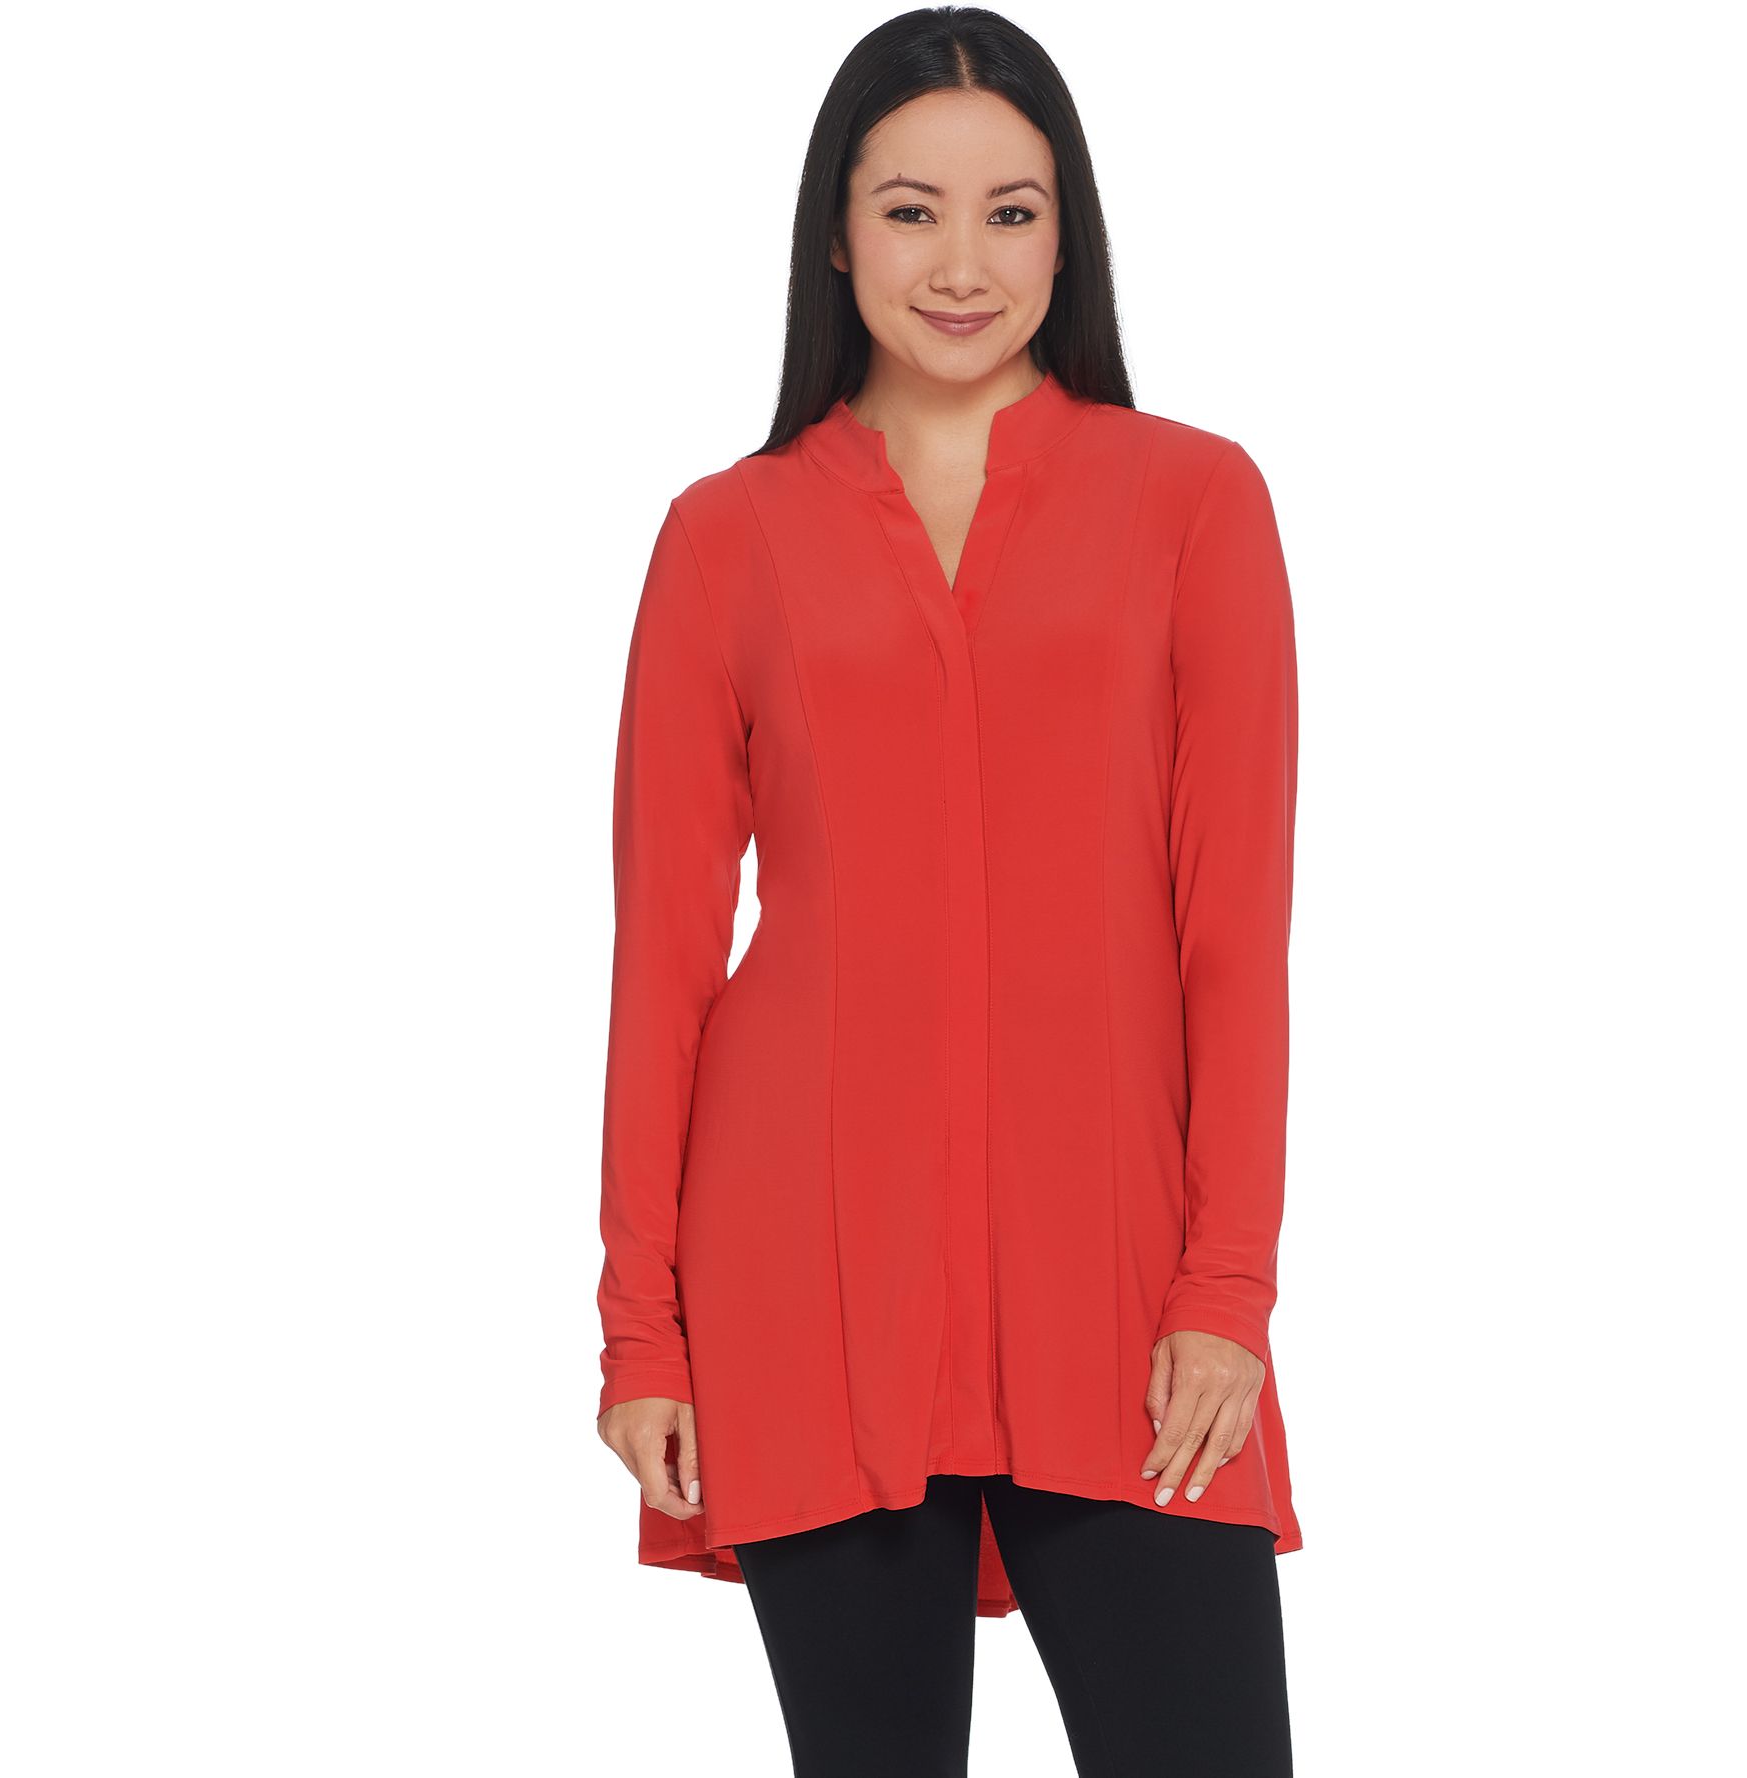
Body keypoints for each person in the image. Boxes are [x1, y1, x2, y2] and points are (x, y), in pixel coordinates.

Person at [593, 7, 1301, 1772]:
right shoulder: (726, 536)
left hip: (1122, 1283)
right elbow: (665, 955)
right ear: (837, 235)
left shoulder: (1196, 504)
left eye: (1012, 212)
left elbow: (1235, 934)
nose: (962, 264)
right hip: (810, 1279)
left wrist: (1226, 1290)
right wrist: (640, 1325)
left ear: (1070, 235)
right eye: (911, 211)